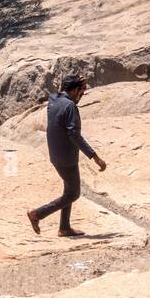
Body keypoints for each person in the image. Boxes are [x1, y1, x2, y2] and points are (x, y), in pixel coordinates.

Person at [27, 76, 107, 237]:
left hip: (56, 154)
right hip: (66, 157)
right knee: (73, 194)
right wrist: (95, 157)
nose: (81, 96)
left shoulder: (54, 100)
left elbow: (63, 118)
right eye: (80, 92)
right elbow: (74, 135)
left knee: (68, 189)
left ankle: (64, 227)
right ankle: (37, 214)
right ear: (74, 90)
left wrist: (77, 86)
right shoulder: (70, 106)